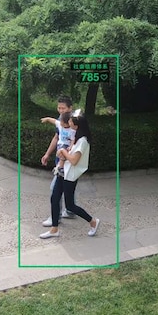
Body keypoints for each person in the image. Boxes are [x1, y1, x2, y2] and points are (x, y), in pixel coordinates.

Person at [40, 114, 101, 239]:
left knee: (70, 206)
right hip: (62, 172)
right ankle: (54, 229)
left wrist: (62, 152)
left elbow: (74, 160)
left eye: (71, 123)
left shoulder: (83, 141)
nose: (69, 124)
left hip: (70, 175)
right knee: (54, 197)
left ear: (77, 126)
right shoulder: (76, 137)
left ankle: (93, 221)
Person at [41, 95, 76, 227]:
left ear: (70, 108)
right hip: (60, 159)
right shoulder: (60, 121)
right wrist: (47, 154)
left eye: (63, 108)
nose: (60, 110)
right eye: (59, 108)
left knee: (55, 189)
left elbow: (77, 142)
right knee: (67, 186)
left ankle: (56, 216)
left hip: (69, 161)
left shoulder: (75, 124)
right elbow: (56, 138)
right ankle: (70, 210)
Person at [40, 112, 74, 176]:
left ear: (68, 123)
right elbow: (54, 121)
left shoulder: (71, 130)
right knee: (59, 156)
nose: (60, 123)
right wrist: (47, 119)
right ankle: (59, 167)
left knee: (62, 155)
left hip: (66, 145)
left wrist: (71, 146)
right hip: (60, 144)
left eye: (62, 122)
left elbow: (72, 140)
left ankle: (59, 168)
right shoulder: (60, 125)